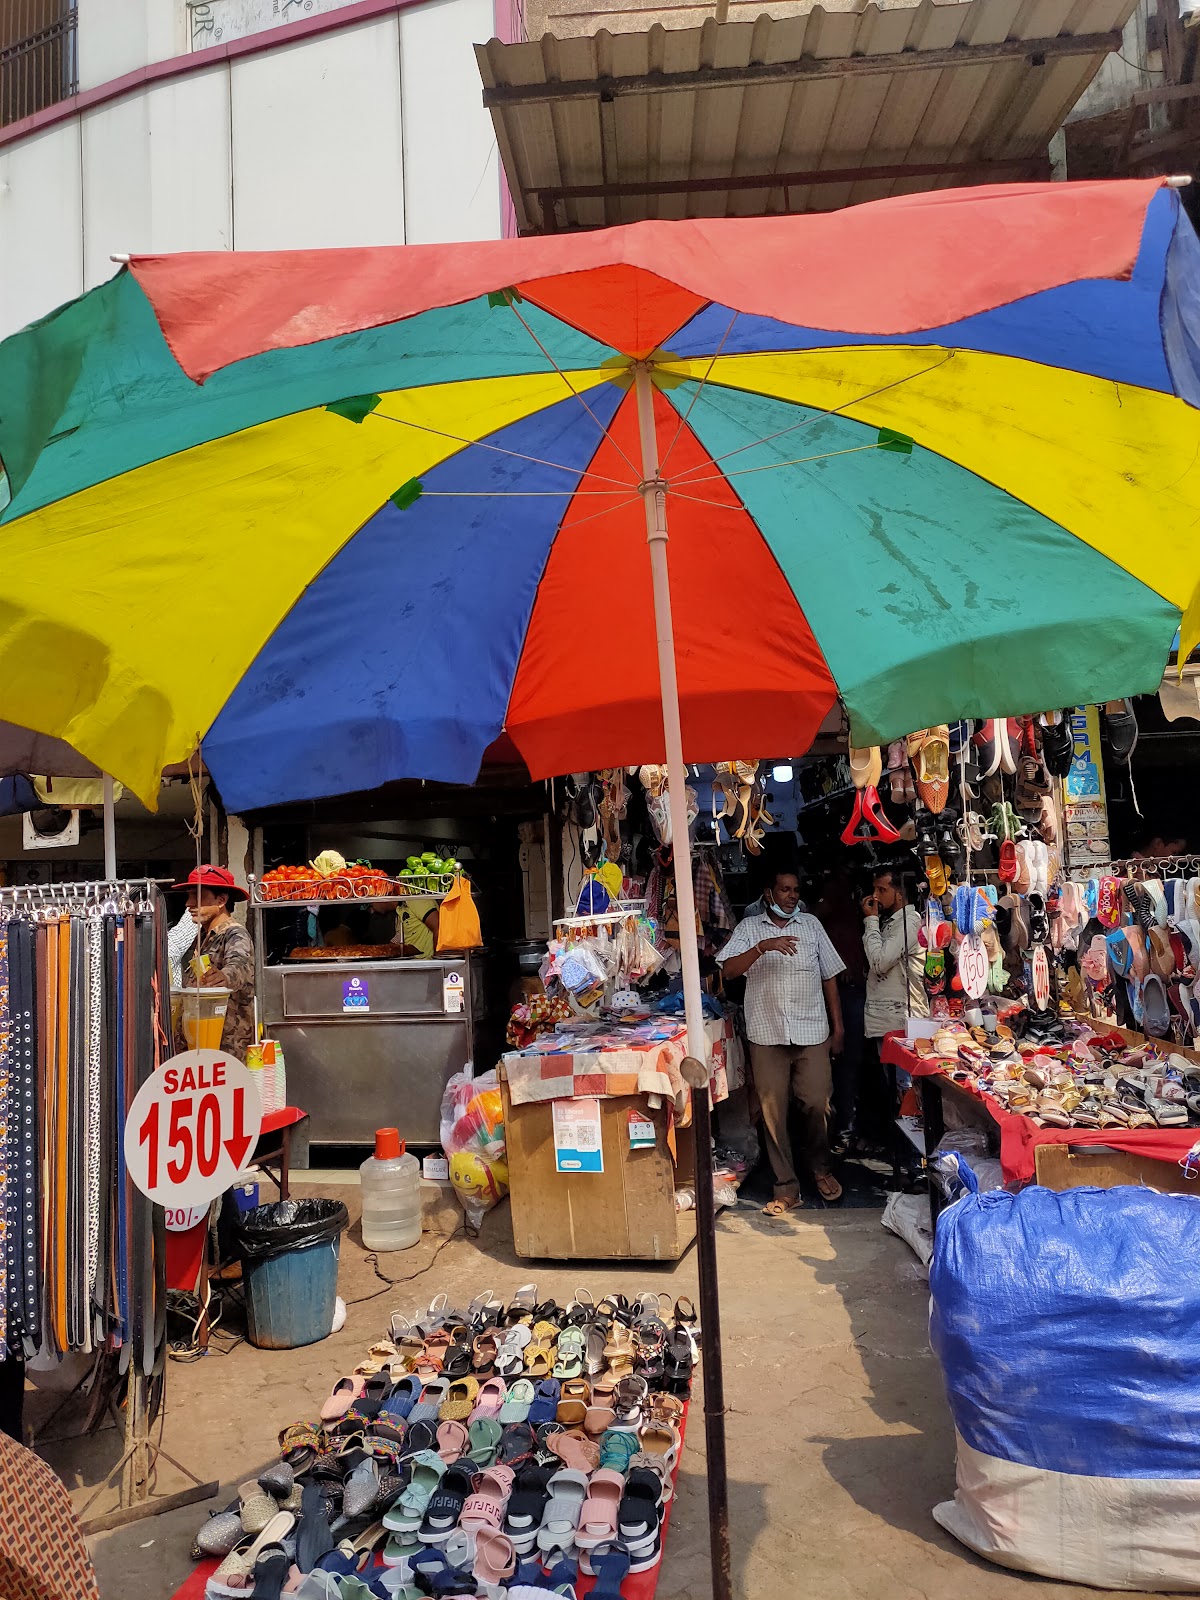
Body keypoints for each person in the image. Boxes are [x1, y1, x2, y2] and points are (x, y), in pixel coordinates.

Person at [716, 868, 846, 1211]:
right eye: (784, 889)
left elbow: (830, 976)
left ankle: (821, 1168)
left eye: (795, 890)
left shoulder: (812, 926)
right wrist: (762, 947)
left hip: (811, 1031)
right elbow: (728, 971)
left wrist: (839, 1028)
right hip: (767, 1033)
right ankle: (786, 1186)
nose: (791, 895)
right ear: (769, 893)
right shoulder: (749, 928)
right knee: (773, 1114)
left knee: (818, 1103)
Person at [859, 867, 926, 1145]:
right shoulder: (894, 922)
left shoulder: (908, 922)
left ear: (898, 894)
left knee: (906, 1092)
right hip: (890, 1018)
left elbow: (880, 961)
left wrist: (871, 923)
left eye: (881, 890)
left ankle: (913, 1163)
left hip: (903, 1020)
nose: (875, 896)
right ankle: (906, 1158)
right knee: (898, 1091)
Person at [173, 866, 256, 1060]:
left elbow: (240, 966)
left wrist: (224, 977)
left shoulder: (235, 934)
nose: (189, 903)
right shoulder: (202, 937)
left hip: (225, 1052)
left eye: (197, 896)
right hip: (201, 1050)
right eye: (189, 896)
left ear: (221, 900)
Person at [813, 865, 867, 1151]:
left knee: (846, 1064)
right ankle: (843, 1128)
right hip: (841, 993)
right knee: (843, 1065)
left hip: (848, 994)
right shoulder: (838, 917)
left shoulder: (846, 915)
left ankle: (845, 1129)